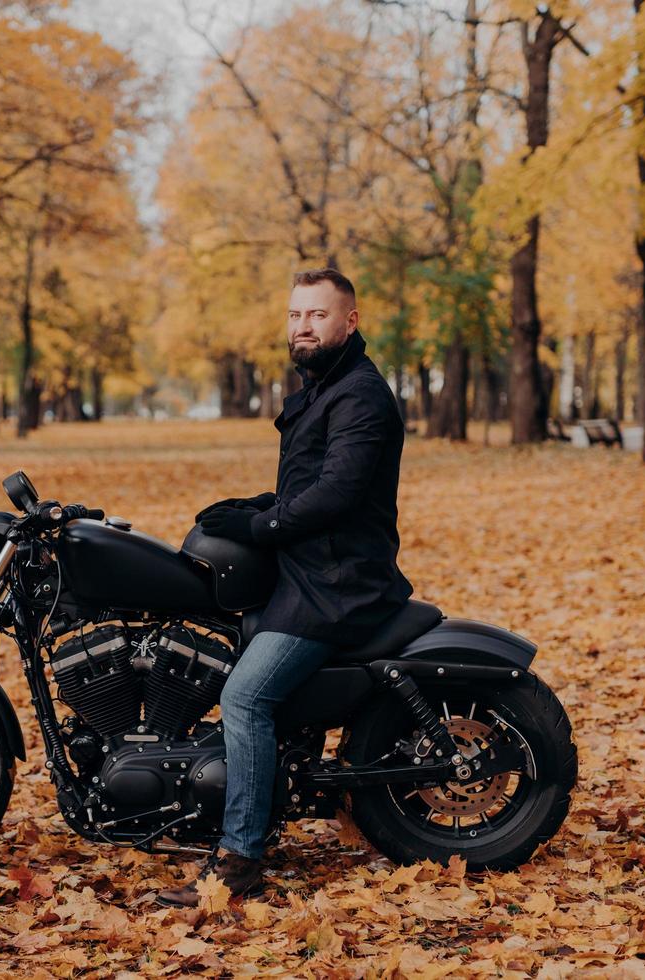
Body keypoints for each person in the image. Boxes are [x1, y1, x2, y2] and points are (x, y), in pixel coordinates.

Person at [157, 267, 412, 907]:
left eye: (316, 315)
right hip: (310, 572)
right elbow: (309, 486)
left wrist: (260, 524)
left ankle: (241, 857)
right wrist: (252, 506)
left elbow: (338, 494)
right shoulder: (325, 388)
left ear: (349, 321)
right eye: (296, 315)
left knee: (244, 698)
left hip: (337, 583)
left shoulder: (360, 394)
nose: (302, 326)